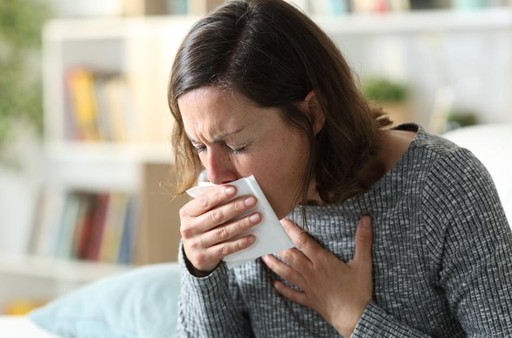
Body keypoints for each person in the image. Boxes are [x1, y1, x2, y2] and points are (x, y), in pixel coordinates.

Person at [166, 0, 512, 336]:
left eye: (237, 145)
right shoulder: (222, 202)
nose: (214, 175)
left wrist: (355, 319)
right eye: (200, 146)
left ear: (313, 113)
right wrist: (201, 270)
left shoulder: (443, 184)